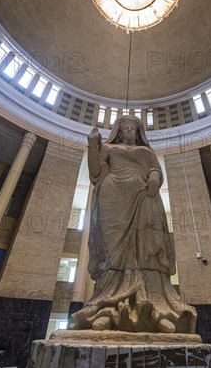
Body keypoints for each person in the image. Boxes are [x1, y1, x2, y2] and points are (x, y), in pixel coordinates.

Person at [70, 115, 197, 333]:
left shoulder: (146, 152)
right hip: (113, 199)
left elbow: (156, 169)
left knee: (149, 249)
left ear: (139, 133)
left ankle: (157, 311)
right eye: (126, 128)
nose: (130, 132)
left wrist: (155, 177)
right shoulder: (109, 148)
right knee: (112, 254)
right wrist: (93, 145)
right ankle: (106, 310)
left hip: (144, 197)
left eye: (134, 129)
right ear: (119, 131)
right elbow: (96, 172)